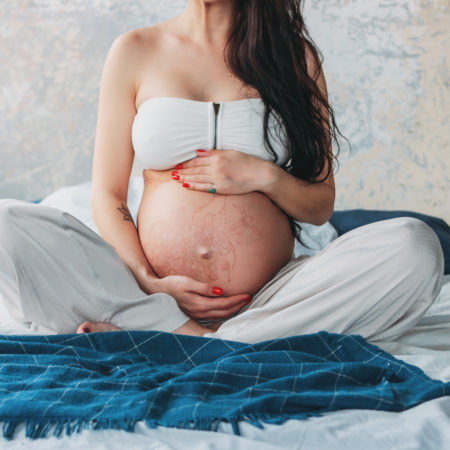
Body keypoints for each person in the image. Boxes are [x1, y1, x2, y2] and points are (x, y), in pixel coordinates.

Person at [0, 0, 444, 343]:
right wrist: (150, 282)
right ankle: (183, 332)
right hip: (147, 293)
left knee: (415, 245)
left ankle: (185, 343)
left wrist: (262, 175)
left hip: (271, 298)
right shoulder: (135, 51)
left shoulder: (294, 58)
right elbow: (108, 196)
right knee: (5, 225)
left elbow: (320, 205)